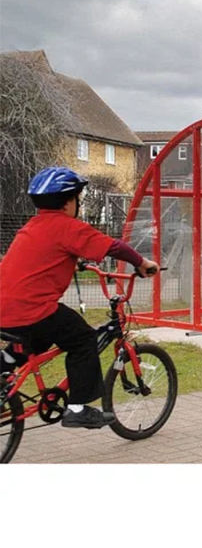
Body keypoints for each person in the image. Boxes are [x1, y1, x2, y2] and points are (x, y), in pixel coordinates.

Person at [0, 166, 158, 428]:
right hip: (33, 308)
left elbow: (43, 258)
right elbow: (114, 247)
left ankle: (4, 363)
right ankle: (77, 408)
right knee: (83, 339)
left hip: (6, 308)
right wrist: (142, 263)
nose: (78, 203)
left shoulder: (32, 226)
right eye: (77, 198)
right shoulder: (68, 227)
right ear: (68, 202)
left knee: (37, 337)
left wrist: (74, 262)